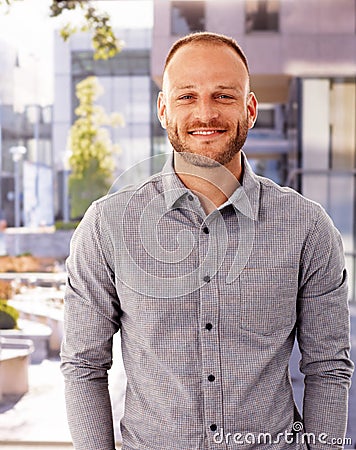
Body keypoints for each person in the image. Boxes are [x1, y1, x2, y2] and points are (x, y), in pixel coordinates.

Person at [61, 32, 354, 450]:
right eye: (186, 96)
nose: (205, 113)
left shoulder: (308, 227)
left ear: (250, 110)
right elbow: (83, 366)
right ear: (163, 110)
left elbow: (329, 368)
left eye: (223, 96)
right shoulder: (107, 226)